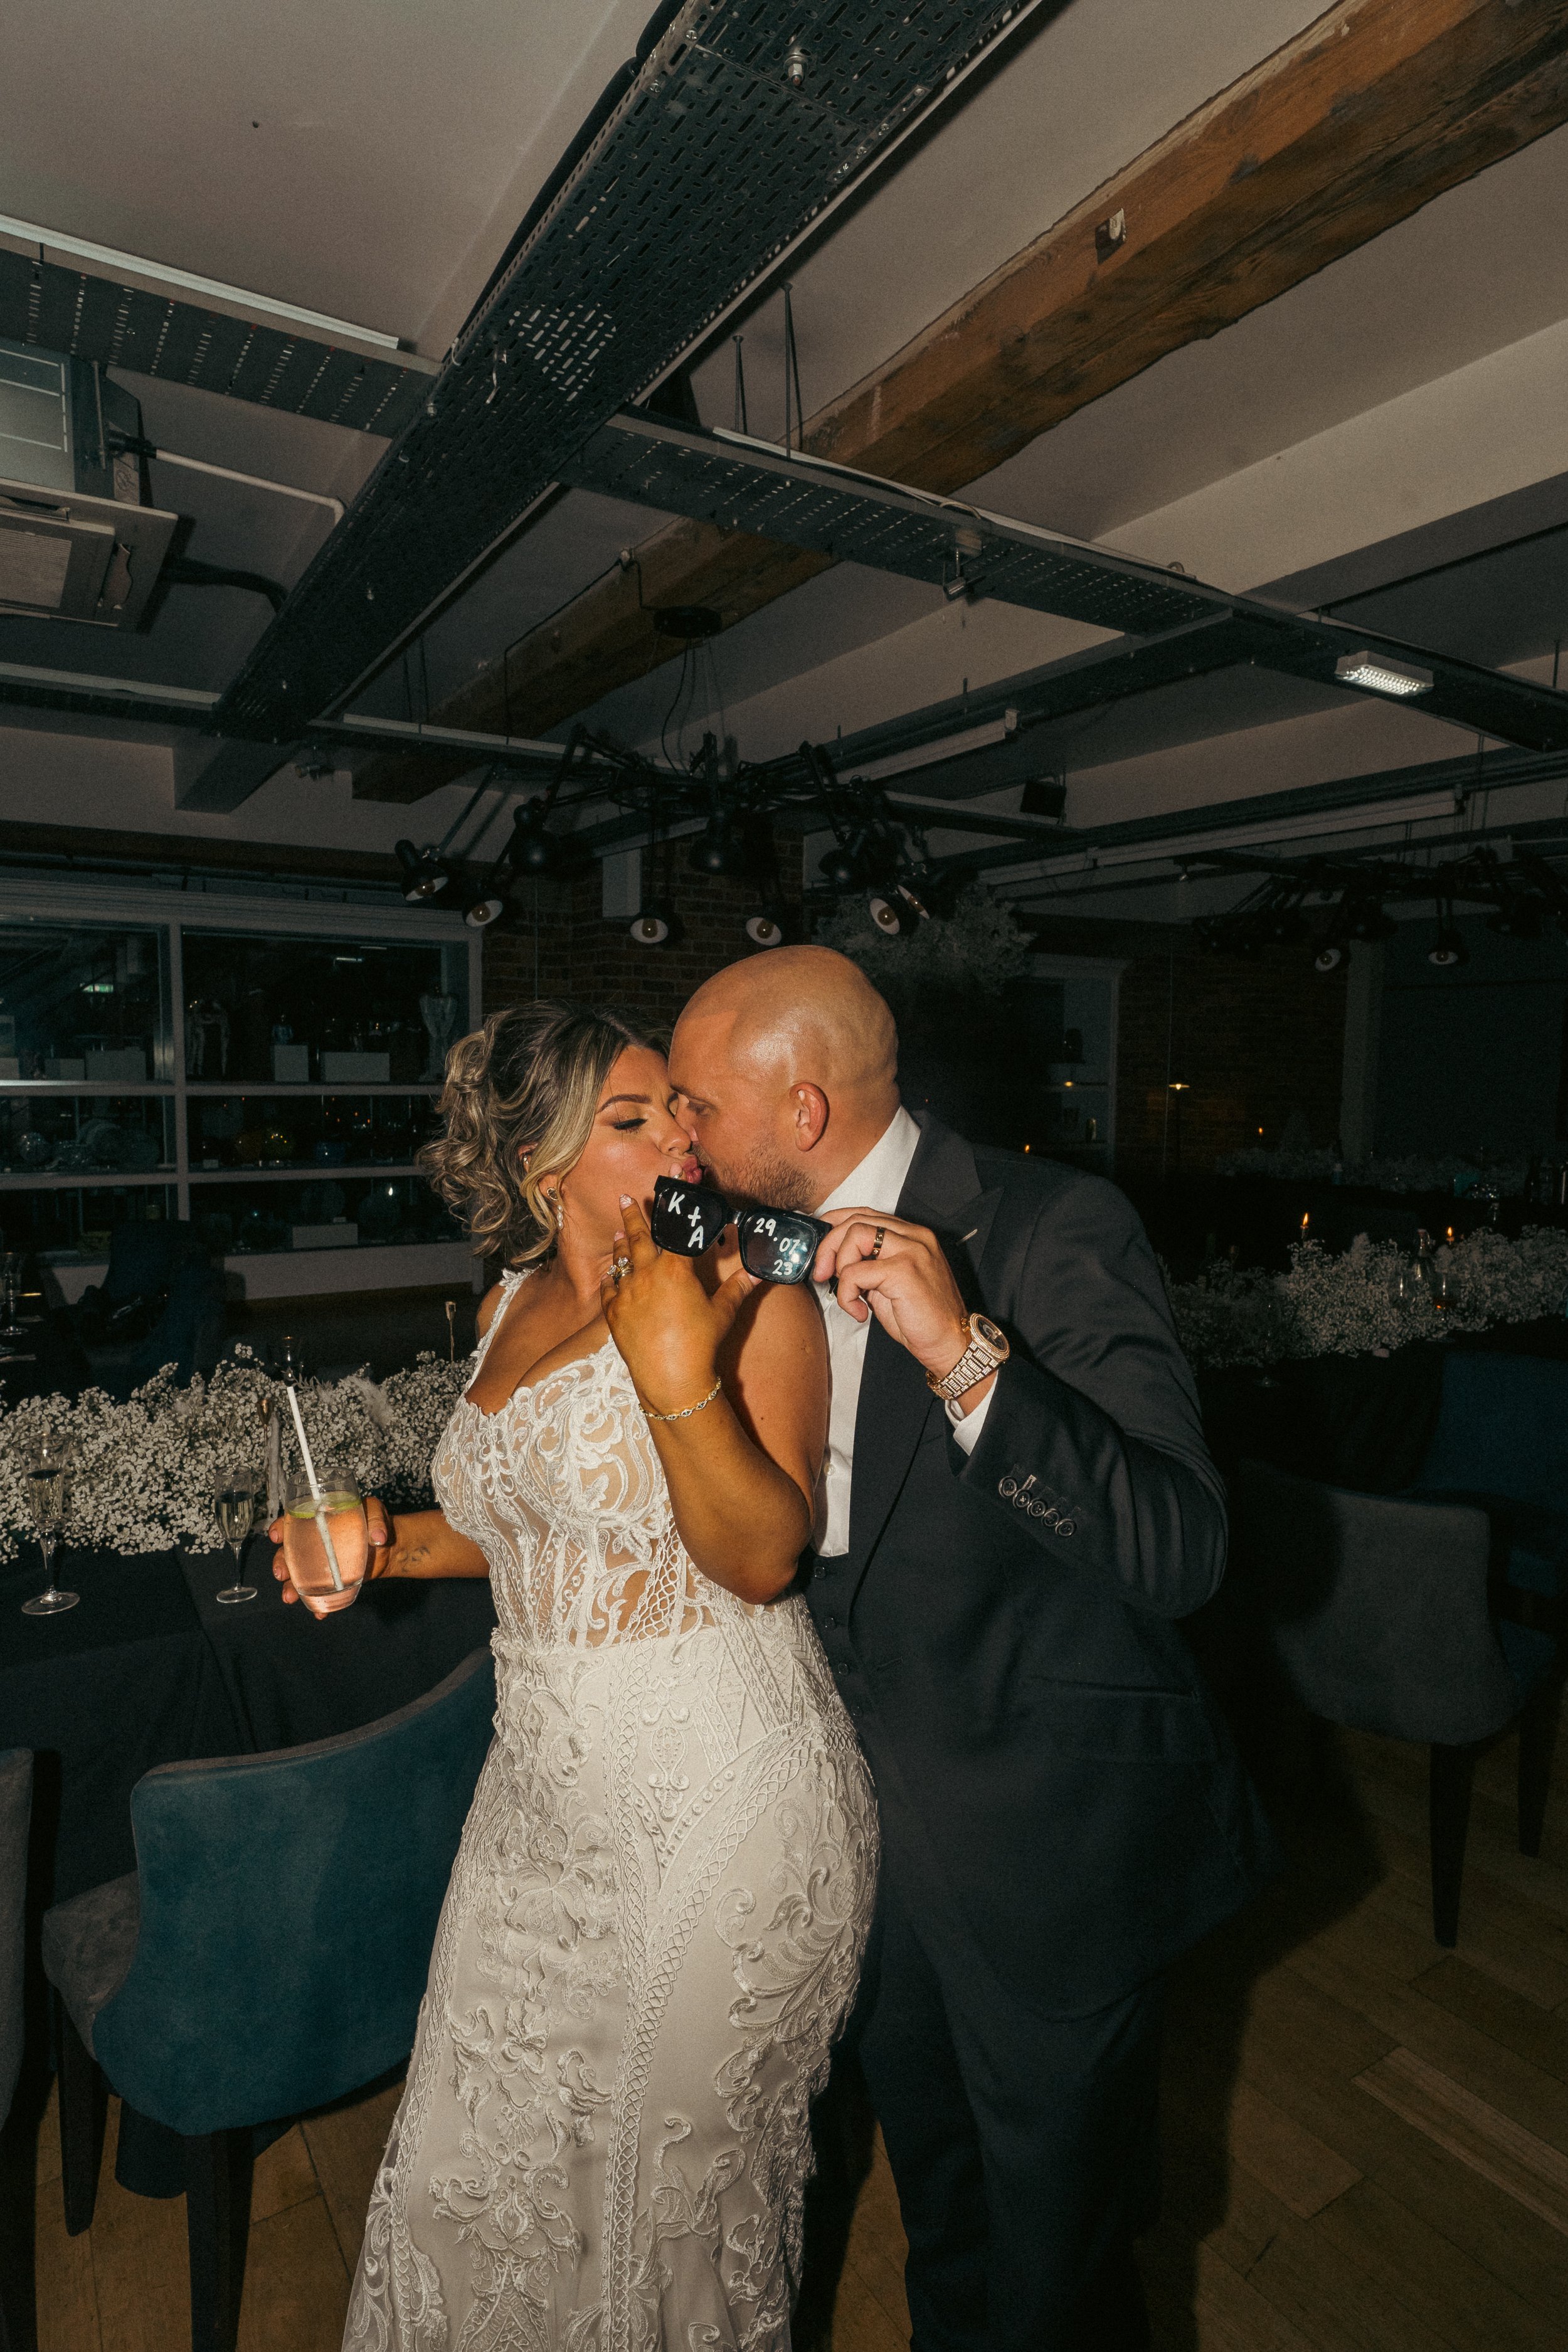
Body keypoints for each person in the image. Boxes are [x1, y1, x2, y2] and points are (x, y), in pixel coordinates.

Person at [667, 946, 1281, 2352]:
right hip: (861, 1847)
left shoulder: (1054, 1225)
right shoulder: (740, 1239)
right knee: (942, 2215)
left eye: (698, 1102)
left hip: (1048, 1848)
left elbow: (1179, 1549)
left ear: (802, 1109)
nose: (680, 1130)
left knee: (1058, 2268)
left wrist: (965, 1359)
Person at [275, 1002, 877, 2352]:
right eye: (632, 1115)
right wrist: (380, 1545)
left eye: (675, 1106)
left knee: (652, 2218)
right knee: (472, 2169)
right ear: (543, 1170)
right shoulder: (509, 1303)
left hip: (718, 1800)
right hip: (537, 1808)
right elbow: (517, 1528)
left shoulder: (739, 1289)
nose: (678, 1127)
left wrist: (676, 1378)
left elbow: (763, 1557)